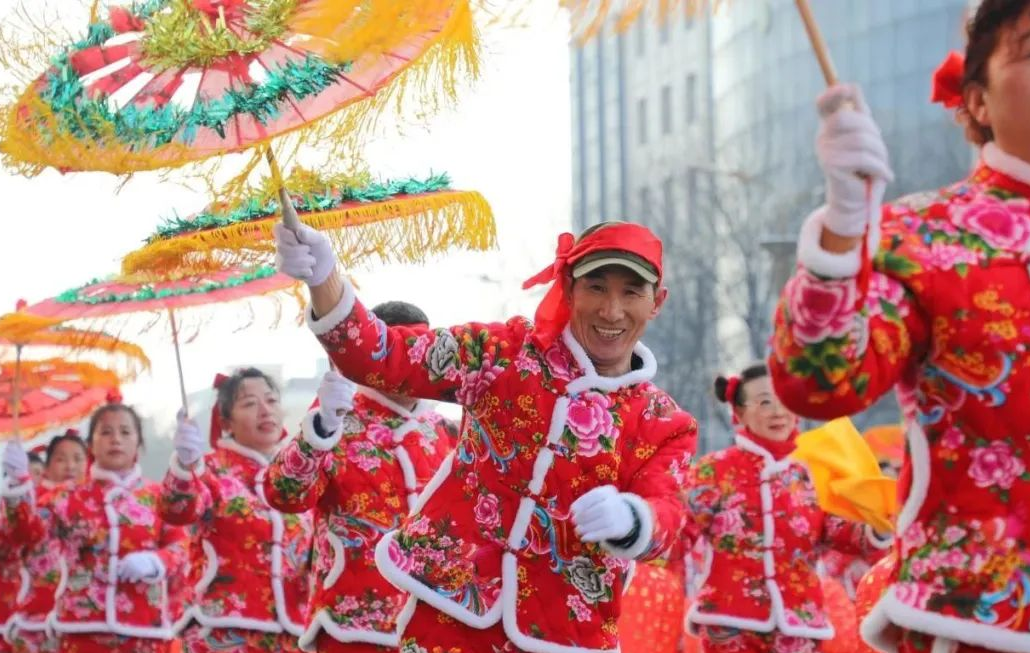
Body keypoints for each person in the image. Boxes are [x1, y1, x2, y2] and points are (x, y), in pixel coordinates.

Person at [274, 217, 699, 653]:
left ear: (657, 302)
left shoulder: (664, 422)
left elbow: (666, 513)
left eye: (631, 291)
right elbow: (382, 356)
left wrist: (633, 519)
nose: (612, 310)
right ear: (569, 289)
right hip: (449, 614)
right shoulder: (502, 354)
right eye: (596, 287)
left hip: (566, 635)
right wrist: (324, 278)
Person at [768, 2, 1030, 651]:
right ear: (977, 101)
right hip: (978, 620)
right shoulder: (923, 236)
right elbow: (820, 382)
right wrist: (843, 228)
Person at [264, 301, 457, 653]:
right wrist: (320, 429)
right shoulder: (333, 421)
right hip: (352, 626)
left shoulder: (444, 431)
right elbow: (284, 493)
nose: (412, 364)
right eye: (400, 351)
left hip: (433, 626)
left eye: (420, 353)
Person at [683, 363, 890, 653]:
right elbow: (680, 527)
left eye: (784, 401)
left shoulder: (814, 469)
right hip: (730, 620)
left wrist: (877, 526)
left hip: (799, 619)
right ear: (739, 412)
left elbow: (838, 530)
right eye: (765, 402)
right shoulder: (714, 470)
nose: (778, 412)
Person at [1, 404, 189, 653]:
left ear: (138, 444)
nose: (115, 440)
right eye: (106, 432)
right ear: (91, 444)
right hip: (81, 629)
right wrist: (18, 487)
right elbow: (26, 533)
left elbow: (181, 544)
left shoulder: (157, 496)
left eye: (125, 432)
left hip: (145, 628)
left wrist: (157, 561)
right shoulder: (66, 497)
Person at [159, 368, 313, 653]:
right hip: (222, 629)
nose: (264, 411)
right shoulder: (209, 469)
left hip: (293, 632)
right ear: (226, 422)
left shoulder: (300, 472)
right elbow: (177, 509)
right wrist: (183, 466)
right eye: (249, 404)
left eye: (270, 400)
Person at [3, 431, 89, 653]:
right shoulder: (41, 504)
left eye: (78, 459)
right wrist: (18, 485)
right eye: (61, 459)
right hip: (39, 612)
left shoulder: (101, 505)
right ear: (48, 468)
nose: (70, 466)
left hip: (90, 617)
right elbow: (23, 531)